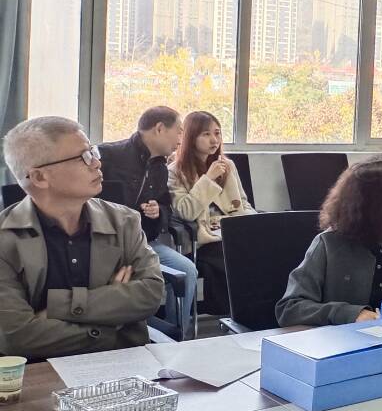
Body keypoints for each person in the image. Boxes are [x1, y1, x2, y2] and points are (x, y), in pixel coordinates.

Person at [0, 117, 164, 359]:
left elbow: (152, 293)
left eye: (93, 152)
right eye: (83, 157)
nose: (97, 163)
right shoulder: (5, 239)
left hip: (124, 365)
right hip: (39, 372)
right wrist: (112, 323)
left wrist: (59, 306)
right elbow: (17, 337)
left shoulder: (124, 221)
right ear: (39, 177)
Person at [277, 156, 382, 327]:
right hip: (347, 339)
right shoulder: (329, 243)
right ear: (378, 203)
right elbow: (289, 308)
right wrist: (350, 314)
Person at [99, 106, 200, 337]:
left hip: (145, 243)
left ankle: (176, 336)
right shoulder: (108, 156)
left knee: (187, 269)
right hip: (108, 245)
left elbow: (166, 206)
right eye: (179, 131)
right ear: (160, 128)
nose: (181, 139)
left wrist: (158, 211)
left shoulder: (160, 168)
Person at [168, 111, 253, 317]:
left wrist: (254, 222)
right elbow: (186, 212)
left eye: (217, 133)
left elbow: (242, 203)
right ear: (191, 137)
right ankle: (233, 315)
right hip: (202, 240)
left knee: (268, 250)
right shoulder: (175, 171)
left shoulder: (228, 165)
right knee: (227, 258)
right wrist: (208, 178)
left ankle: (258, 314)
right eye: (206, 134)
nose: (214, 140)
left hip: (232, 232)